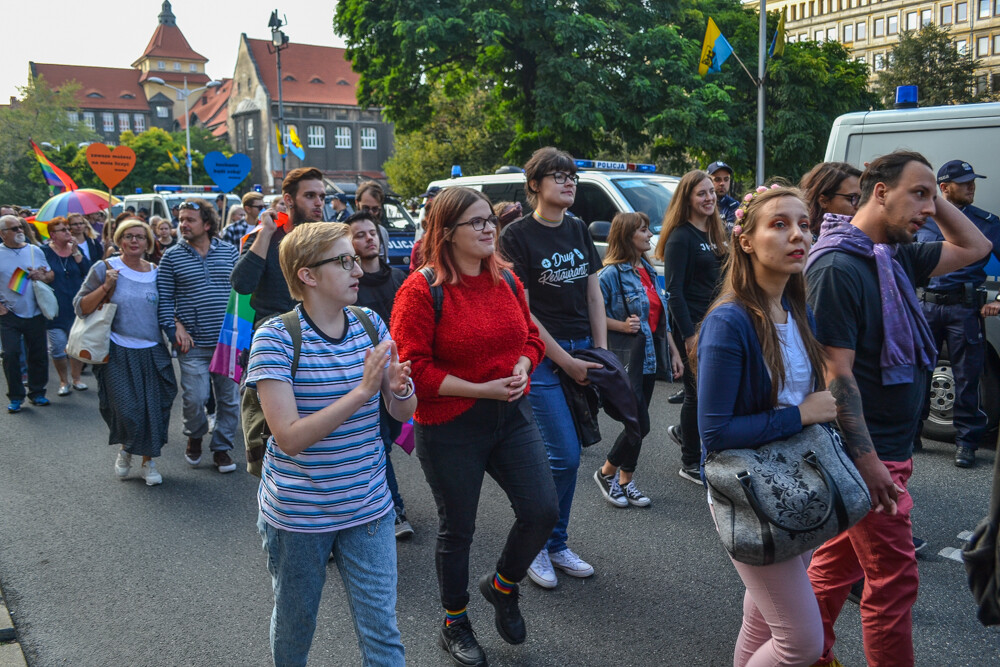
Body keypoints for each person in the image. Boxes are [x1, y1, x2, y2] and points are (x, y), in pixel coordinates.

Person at [804, 150, 991, 667]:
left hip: (892, 446)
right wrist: (869, 464)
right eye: (918, 194)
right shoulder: (839, 265)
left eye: (933, 196)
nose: (929, 209)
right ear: (879, 190)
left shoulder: (892, 256)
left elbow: (975, 245)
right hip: (869, 455)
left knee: (836, 565)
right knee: (894, 579)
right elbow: (835, 375)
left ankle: (803, 652)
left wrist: (931, 192)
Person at [392, 186, 557, 666]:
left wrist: (526, 363)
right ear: (446, 233)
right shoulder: (421, 290)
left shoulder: (506, 279)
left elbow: (530, 335)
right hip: (449, 425)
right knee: (458, 529)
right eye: (477, 222)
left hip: (510, 417)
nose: (489, 229)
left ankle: (502, 586)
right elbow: (412, 369)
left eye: (490, 220)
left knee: (542, 510)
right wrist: (480, 389)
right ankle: (454, 621)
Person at [248, 222, 413, 666]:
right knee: (296, 624)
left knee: (382, 630)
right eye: (344, 261)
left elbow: (402, 414)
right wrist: (362, 391)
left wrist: (398, 389)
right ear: (308, 275)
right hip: (299, 515)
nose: (357, 268)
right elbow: (290, 437)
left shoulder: (369, 322)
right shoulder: (275, 337)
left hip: (369, 507)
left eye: (355, 260)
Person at [697, 185, 836, 667]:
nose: (798, 234)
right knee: (801, 644)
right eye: (780, 224)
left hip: (794, 486)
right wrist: (802, 414)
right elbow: (713, 436)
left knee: (762, 621)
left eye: (804, 223)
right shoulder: (729, 321)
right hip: (751, 493)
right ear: (747, 241)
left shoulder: (798, 311)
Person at [499, 146, 606, 589]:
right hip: (541, 356)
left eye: (572, 176)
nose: (569, 182)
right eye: (558, 176)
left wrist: (600, 351)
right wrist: (565, 359)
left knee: (573, 451)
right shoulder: (516, 236)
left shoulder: (579, 228)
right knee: (562, 453)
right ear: (534, 185)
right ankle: (537, 545)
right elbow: (523, 312)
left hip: (584, 349)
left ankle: (556, 542)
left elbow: (594, 292)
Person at [74, 219, 178, 486]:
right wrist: (106, 287)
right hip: (117, 351)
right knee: (128, 410)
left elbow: (167, 308)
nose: (134, 241)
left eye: (140, 237)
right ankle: (125, 449)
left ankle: (148, 461)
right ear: (119, 240)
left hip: (153, 351)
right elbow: (80, 307)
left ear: (148, 242)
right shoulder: (106, 268)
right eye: (129, 236)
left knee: (154, 410)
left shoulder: (157, 271)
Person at [912, 160, 1000, 468]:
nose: (972, 186)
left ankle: (967, 443)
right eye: (964, 183)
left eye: (973, 181)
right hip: (925, 308)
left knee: (967, 376)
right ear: (944, 188)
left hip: (964, 309)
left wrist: (999, 298)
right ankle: (913, 434)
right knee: (917, 371)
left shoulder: (987, 222)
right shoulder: (920, 221)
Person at [594, 212, 683, 507]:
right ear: (626, 236)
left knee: (638, 421)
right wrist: (620, 326)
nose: (648, 235)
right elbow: (590, 317)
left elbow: (659, 318)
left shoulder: (646, 268)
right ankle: (607, 473)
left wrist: (672, 352)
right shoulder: (610, 275)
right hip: (626, 360)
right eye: (642, 230)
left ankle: (626, 480)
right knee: (639, 424)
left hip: (649, 357)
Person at [653, 169, 728, 485]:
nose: (710, 197)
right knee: (696, 395)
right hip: (695, 327)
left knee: (710, 392)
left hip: (718, 324)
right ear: (688, 198)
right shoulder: (681, 237)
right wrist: (688, 335)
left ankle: (686, 432)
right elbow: (674, 293)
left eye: (711, 191)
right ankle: (689, 462)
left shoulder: (715, 233)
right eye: (702, 193)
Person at [157, 199, 240, 474]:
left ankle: (221, 448)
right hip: (191, 342)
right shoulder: (171, 256)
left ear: (207, 224)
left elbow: (243, 294)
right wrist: (174, 327)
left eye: (189, 219)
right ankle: (195, 434)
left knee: (229, 400)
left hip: (228, 342)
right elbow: (164, 299)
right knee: (195, 398)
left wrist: (243, 336)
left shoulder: (229, 252)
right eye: (181, 219)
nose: (182, 224)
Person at [348, 210, 413, 538]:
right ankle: (395, 508)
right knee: (379, 442)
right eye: (359, 235)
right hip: (364, 378)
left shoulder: (399, 279)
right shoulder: (350, 287)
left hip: (399, 377)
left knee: (388, 440)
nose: (368, 238)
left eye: (371, 232)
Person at [231, 167, 327, 327]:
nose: (319, 203)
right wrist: (266, 232)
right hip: (274, 338)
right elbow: (241, 284)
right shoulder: (266, 235)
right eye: (310, 196)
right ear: (289, 200)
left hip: (319, 338)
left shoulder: (328, 240)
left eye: (322, 197)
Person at [0, 214, 54, 412]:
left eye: (21, 227)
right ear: (2, 234)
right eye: (14, 229)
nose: (20, 231)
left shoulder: (34, 250)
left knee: (38, 354)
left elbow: (50, 275)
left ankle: (37, 393)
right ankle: (15, 396)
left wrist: (42, 275)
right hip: (9, 313)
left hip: (35, 311)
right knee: (11, 354)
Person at [41, 217, 90, 396]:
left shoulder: (75, 250)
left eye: (68, 229)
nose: (68, 232)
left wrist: (77, 252)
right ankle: (64, 380)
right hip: (55, 307)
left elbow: (87, 270)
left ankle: (77, 378)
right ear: (53, 235)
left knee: (75, 346)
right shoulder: (44, 251)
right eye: (63, 230)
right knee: (58, 346)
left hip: (76, 307)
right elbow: (41, 272)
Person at [799, 161, 863, 238]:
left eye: (862, 198)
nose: (859, 206)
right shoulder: (804, 242)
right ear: (823, 201)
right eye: (852, 198)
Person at [356, 180, 391, 265]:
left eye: (374, 209)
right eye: (366, 208)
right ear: (357, 203)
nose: (370, 213)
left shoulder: (383, 232)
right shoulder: (346, 231)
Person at [708, 161, 740, 227]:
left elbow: (730, 235)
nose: (722, 183)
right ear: (708, 181)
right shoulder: (701, 203)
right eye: (717, 179)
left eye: (726, 179)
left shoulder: (734, 206)